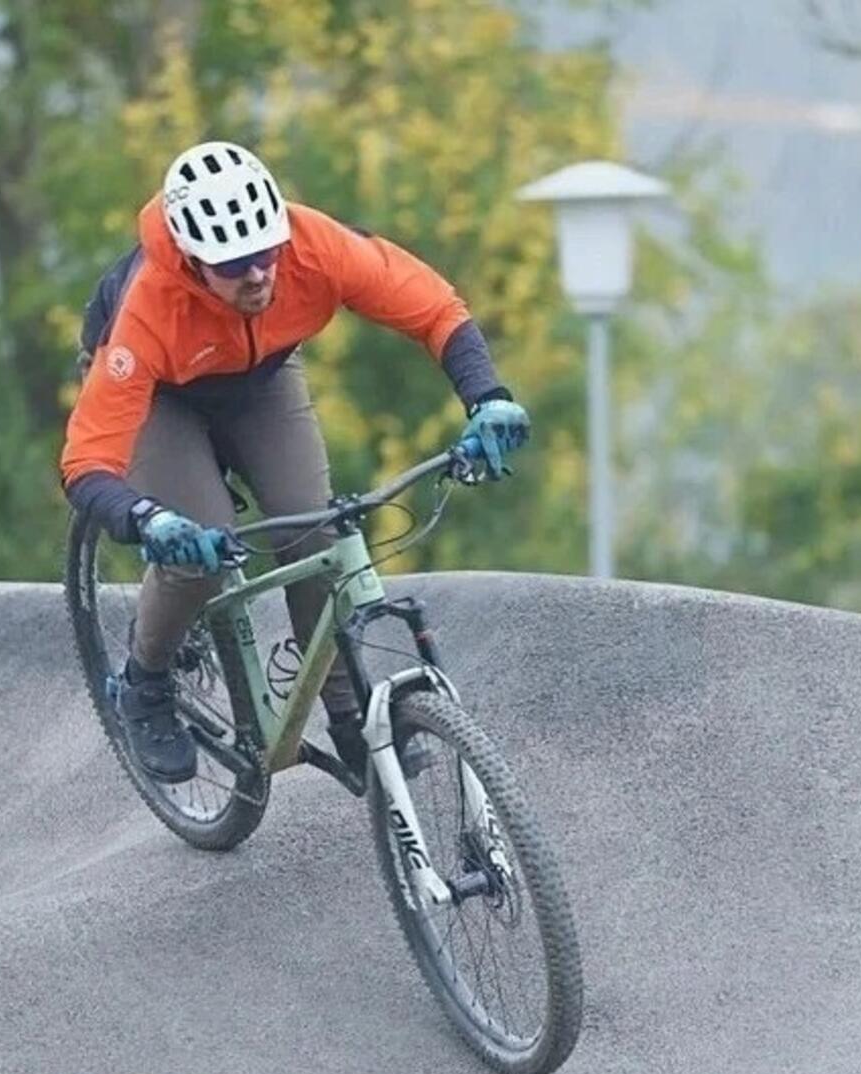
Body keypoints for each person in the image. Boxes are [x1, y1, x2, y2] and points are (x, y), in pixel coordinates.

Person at [58, 139, 531, 784]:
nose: (258, 275)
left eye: (265, 254)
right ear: (193, 262)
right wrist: (147, 519)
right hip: (160, 399)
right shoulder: (148, 309)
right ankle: (144, 684)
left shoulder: (314, 245)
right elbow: (85, 462)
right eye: (234, 265)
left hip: (261, 379)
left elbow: (435, 308)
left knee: (314, 533)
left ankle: (349, 717)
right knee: (199, 546)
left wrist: (488, 398)